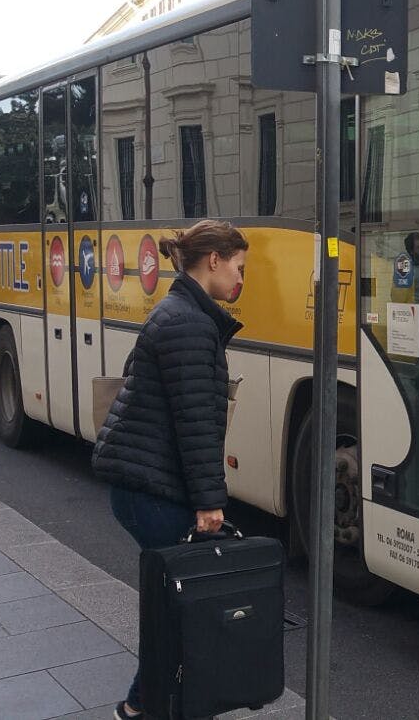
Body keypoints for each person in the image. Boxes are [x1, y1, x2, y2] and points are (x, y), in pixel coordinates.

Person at [91, 219, 248, 720]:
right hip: (154, 490)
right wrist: (209, 502)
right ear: (214, 260)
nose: (241, 278)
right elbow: (196, 422)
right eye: (239, 267)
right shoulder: (189, 323)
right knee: (182, 605)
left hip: (147, 484)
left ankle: (142, 705)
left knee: (174, 603)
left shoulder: (180, 312)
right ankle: (145, 705)